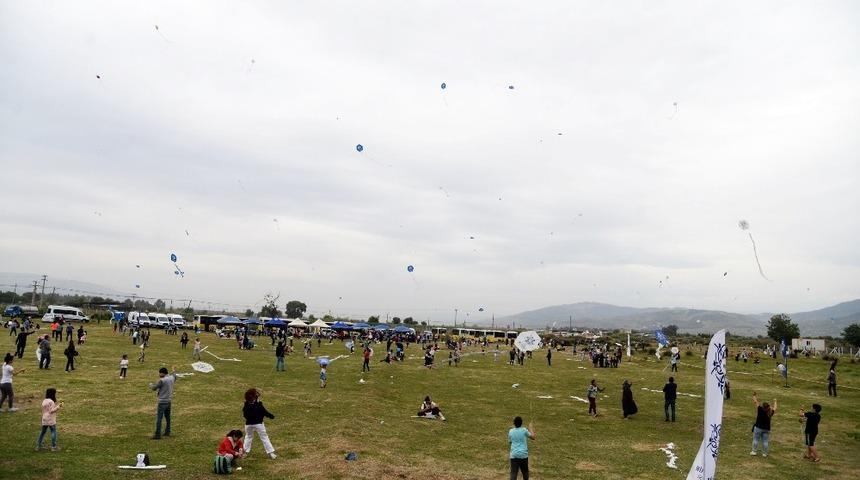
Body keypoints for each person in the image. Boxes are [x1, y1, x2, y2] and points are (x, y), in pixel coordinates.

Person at [242, 388, 277, 459]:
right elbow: (264, 412)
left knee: (248, 437)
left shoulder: (246, 405)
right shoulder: (258, 405)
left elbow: (245, 415)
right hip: (259, 424)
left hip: (248, 425)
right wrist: (271, 416)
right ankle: (271, 453)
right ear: (255, 398)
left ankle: (245, 452)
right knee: (264, 437)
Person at [149, 366, 177, 439]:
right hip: (169, 401)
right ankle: (167, 432)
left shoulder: (162, 380)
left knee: (159, 419)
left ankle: (157, 435)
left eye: (159, 373)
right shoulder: (171, 378)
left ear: (162, 373)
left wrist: (150, 385)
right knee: (168, 418)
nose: (159, 374)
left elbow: (154, 388)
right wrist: (174, 370)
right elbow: (175, 376)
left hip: (162, 402)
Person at [751, 391, 777, 457]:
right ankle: (765, 453)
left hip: (758, 427)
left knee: (756, 439)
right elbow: (775, 408)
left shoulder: (760, 409)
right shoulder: (770, 412)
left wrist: (754, 395)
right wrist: (775, 401)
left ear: (763, 407)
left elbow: (755, 402)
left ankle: (754, 451)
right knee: (765, 441)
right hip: (766, 429)